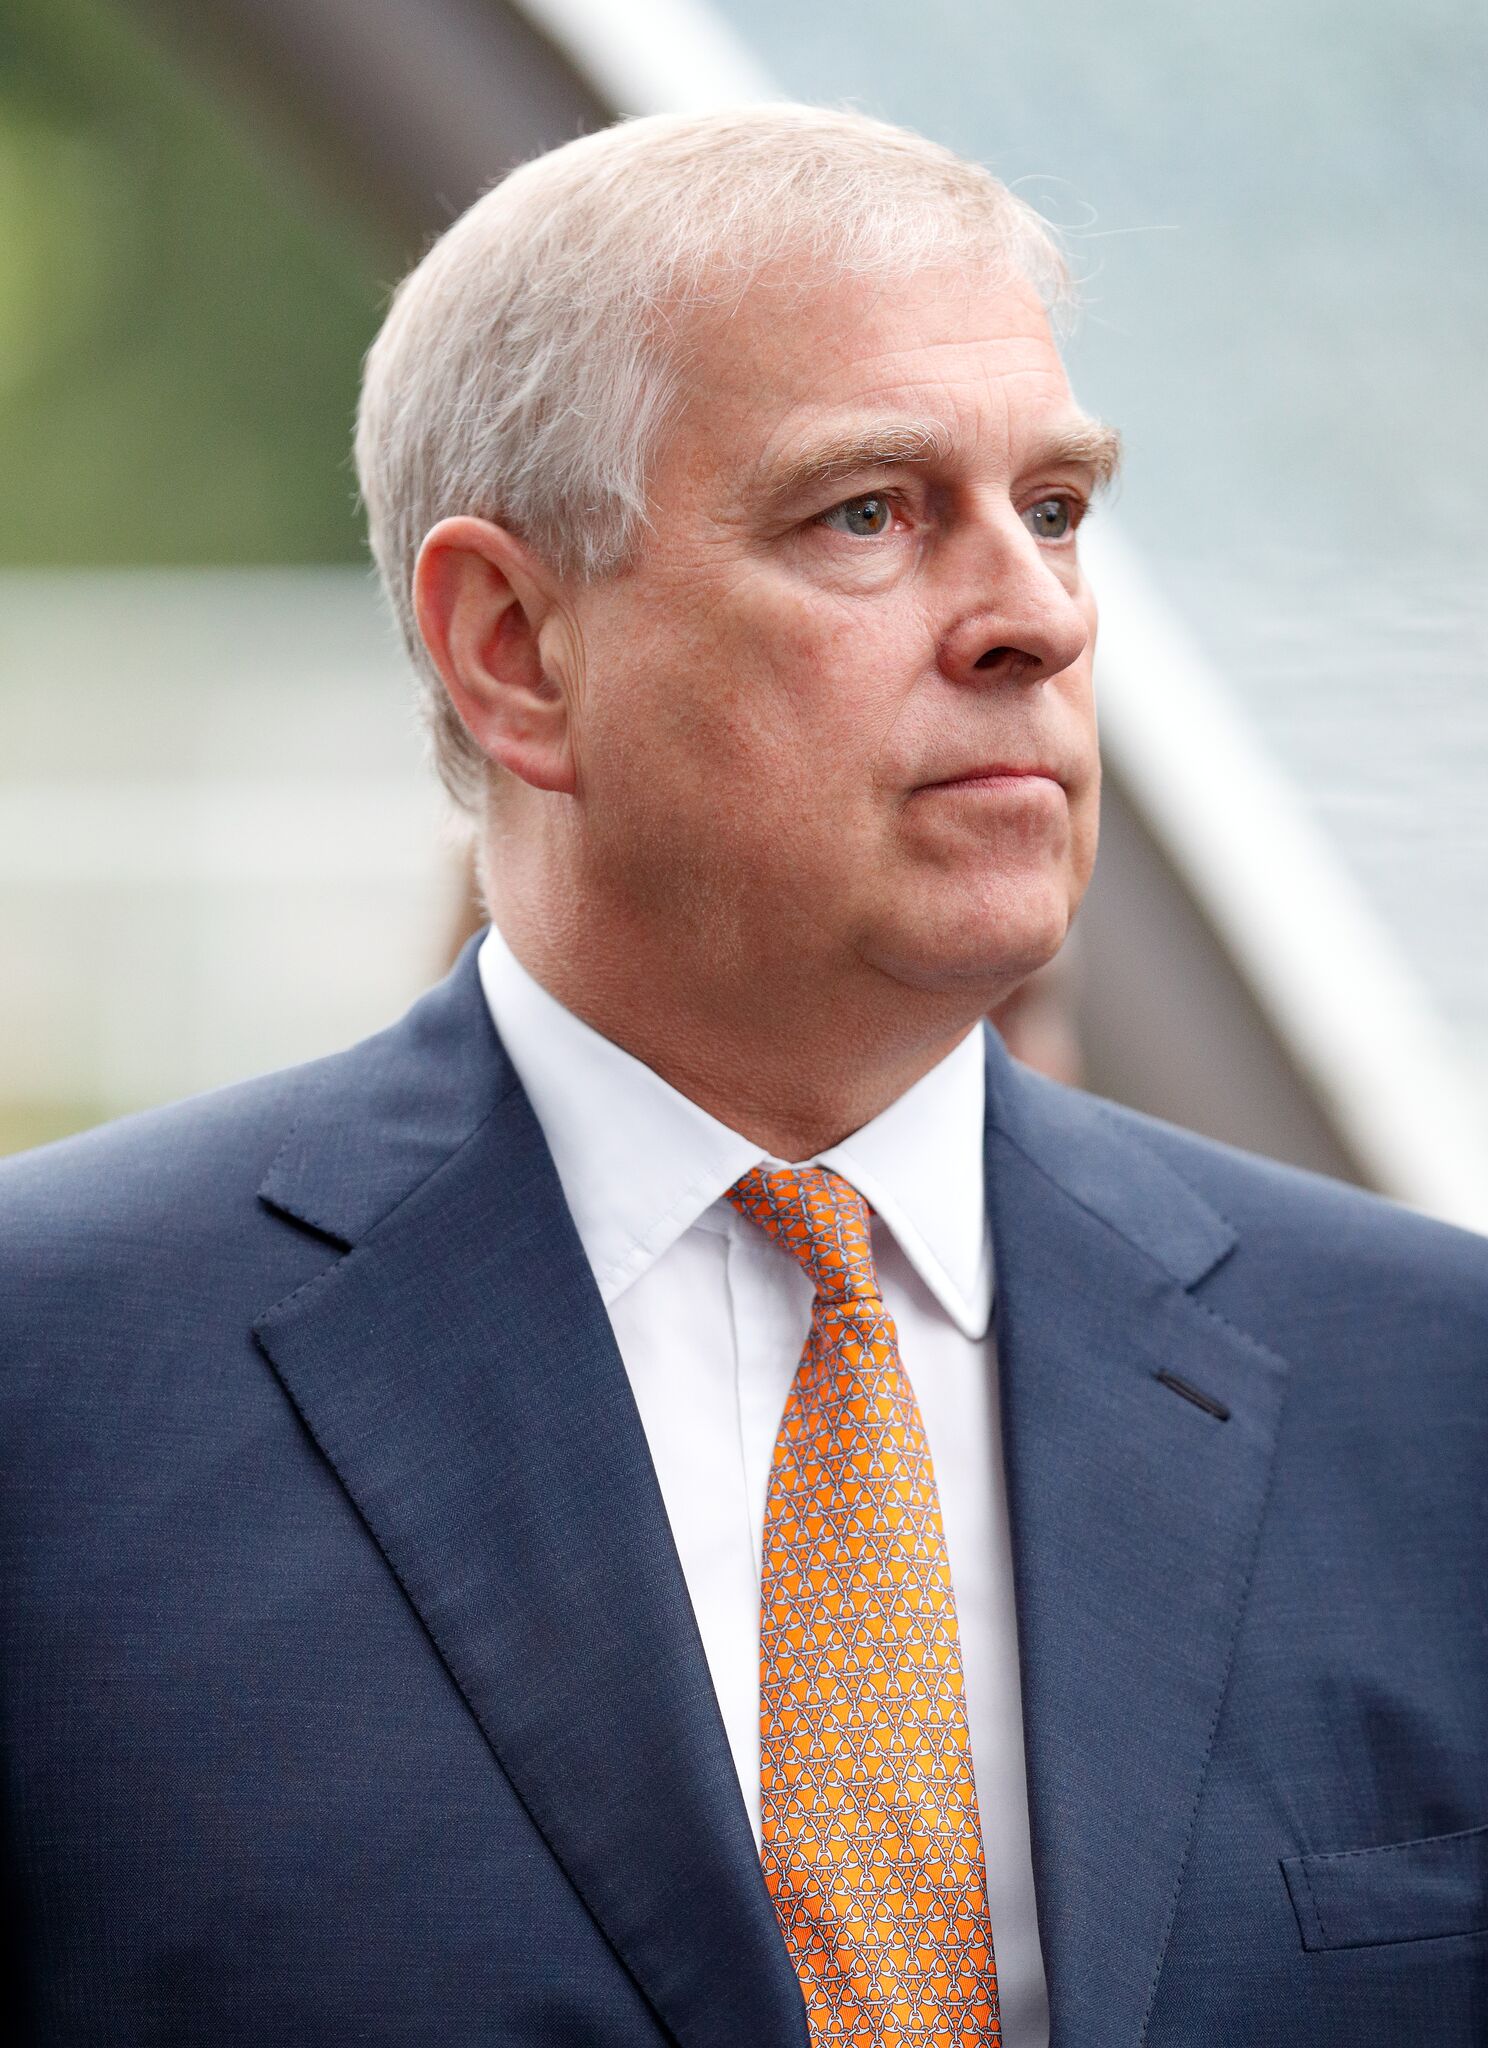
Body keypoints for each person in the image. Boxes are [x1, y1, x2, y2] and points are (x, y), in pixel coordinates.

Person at [1, 104, 1483, 2048]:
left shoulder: (1433, 1395)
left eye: (1054, 506)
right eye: (866, 510)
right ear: (513, 646)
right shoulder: (55, 1388)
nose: (1036, 613)